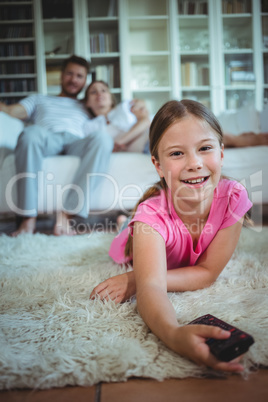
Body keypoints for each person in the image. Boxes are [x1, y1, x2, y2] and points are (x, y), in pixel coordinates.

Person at [90, 99, 253, 372]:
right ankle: (123, 222)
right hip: (136, 234)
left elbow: (208, 272)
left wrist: (135, 278)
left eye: (205, 148)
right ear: (158, 165)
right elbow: (151, 289)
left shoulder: (234, 196)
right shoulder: (150, 217)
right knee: (129, 227)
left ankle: (123, 221)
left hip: (155, 230)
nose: (194, 163)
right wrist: (173, 333)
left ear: (221, 154)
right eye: (177, 154)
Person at [0, 55, 114, 236]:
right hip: (47, 137)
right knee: (30, 133)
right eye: (70, 73)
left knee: (103, 138)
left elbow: (111, 113)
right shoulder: (39, 99)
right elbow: (11, 111)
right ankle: (28, 220)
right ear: (61, 76)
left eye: (79, 76)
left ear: (85, 81)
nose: (74, 79)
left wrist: (136, 109)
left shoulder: (88, 104)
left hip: (77, 142)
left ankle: (66, 217)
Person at [84, 80, 151, 152]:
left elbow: (145, 121)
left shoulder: (126, 106)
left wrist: (120, 142)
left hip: (150, 139)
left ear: (111, 98)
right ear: (87, 102)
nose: (99, 94)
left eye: (103, 90)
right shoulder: (89, 126)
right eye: (93, 92)